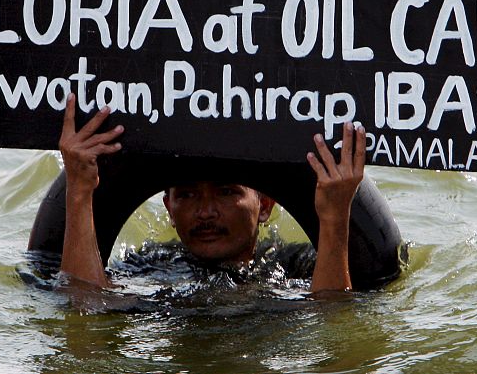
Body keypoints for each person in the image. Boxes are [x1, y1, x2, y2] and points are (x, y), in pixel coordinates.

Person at [57, 93, 367, 293]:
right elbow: (85, 310)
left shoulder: (298, 266)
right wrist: (80, 191)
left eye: (226, 192)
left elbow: (333, 326)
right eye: (187, 195)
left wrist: (334, 216)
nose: (205, 212)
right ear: (169, 208)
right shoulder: (150, 265)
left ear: (265, 205)